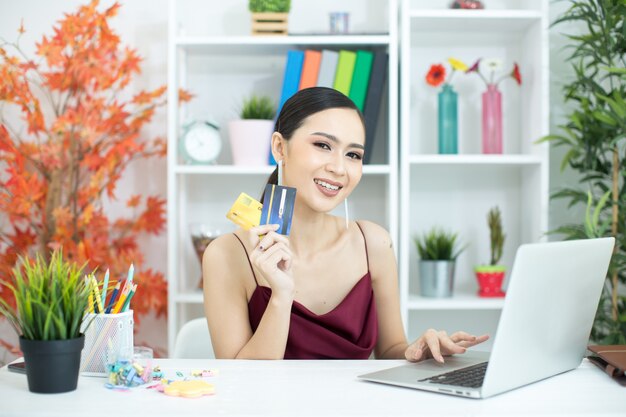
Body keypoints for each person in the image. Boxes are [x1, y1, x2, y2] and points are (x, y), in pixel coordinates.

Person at [203, 87, 488, 360]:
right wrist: (281, 296)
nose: (339, 168)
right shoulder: (226, 255)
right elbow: (240, 381)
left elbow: (391, 350)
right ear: (280, 147)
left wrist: (421, 351)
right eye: (323, 145)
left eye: (353, 154)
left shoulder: (373, 243)